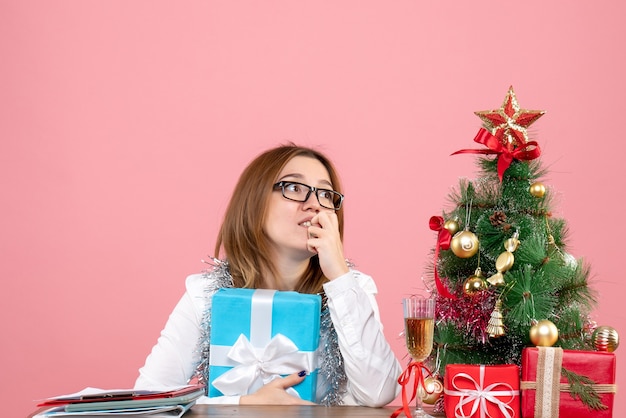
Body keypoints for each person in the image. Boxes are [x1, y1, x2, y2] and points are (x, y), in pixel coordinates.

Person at [134, 144, 402, 407]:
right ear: (255, 202)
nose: (314, 205)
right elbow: (149, 399)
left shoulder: (352, 289)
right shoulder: (205, 294)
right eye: (294, 188)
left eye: (326, 194)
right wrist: (245, 405)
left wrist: (340, 277)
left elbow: (378, 392)